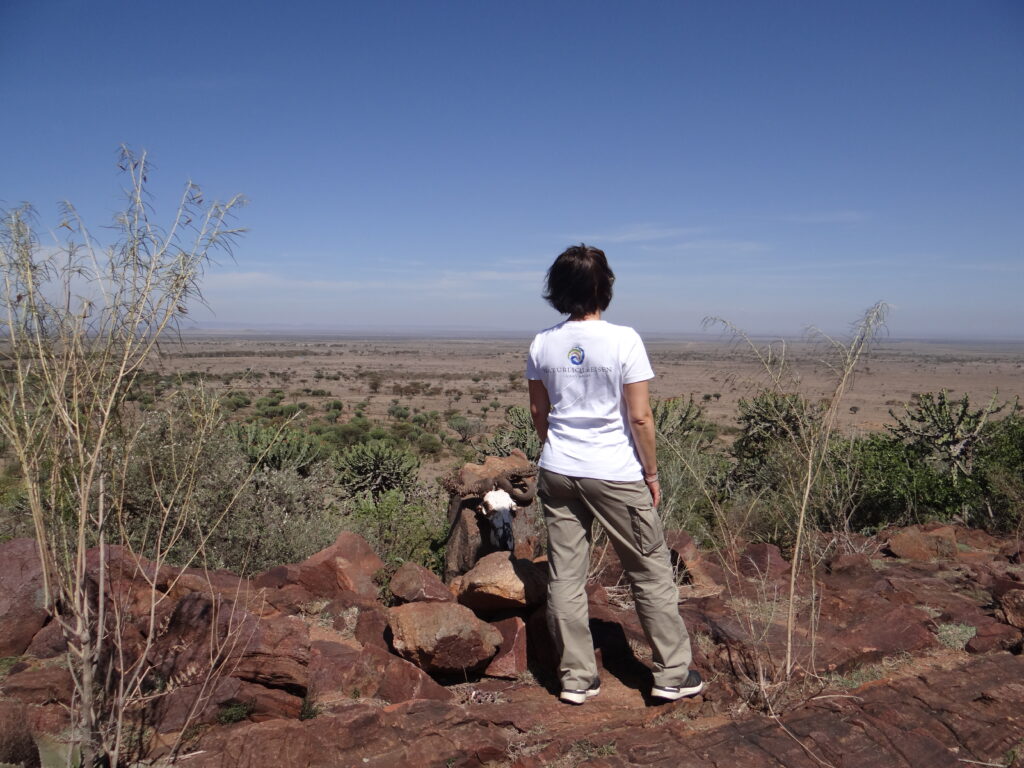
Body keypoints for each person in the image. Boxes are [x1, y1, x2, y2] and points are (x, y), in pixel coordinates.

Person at [526, 244, 703, 705]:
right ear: (605, 286)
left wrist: (557, 451)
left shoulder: (542, 342)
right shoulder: (624, 339)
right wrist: (652, 473)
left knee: (565, 576)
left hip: (559, 470)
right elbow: (641, 418)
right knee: (649, 571)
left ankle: (576, 680)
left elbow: (537, 412)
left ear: (558, 290)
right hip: (616, 473)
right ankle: (672, 674)